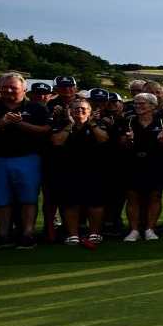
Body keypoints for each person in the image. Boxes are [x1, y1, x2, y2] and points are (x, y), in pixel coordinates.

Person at [0, 72, 53, 249]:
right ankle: (3, 235)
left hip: (27, 159)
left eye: (13, 87)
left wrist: (20, 124)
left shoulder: (36, 108)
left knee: (28, 198)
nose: (8, 90)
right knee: (0, 198)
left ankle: (27, 234)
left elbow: (46, 130)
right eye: (4, 87)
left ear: (24, 89)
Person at [50, 97, 109, 247]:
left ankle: (95, 233)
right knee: (70, 204)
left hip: (94, 170)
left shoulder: (98, 124)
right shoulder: (61, 124)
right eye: (76, 108)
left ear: (90, 111)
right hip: (68, 171)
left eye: (84, 108)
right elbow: (57, 141)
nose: (80, 111)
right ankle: (73, 235)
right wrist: (70, 124)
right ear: (68, 111)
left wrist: (92, 123)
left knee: (95, 203)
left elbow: (103, 139)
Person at [122, 93, 163, 241]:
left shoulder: (161, 121)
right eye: (136, 104)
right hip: (134, 163)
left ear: (152, 106)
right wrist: (129, 140)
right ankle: (134, 230)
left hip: (155, 163)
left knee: (154, 196)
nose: (138, 106)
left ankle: (150, 229)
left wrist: (161, 141)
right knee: (132, 197)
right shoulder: (129, 121)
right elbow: (122, 145)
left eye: (142, 104)